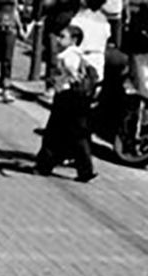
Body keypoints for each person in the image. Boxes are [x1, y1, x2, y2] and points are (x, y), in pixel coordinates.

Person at [36, 21, 99, 182]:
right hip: (80, 99)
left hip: (67, 97)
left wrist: (62, 78)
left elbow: (70, 74)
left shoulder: (68, 56)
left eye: (63, 37)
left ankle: (44, 166)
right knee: (79, 135)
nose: (58, 39)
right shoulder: (81, 55)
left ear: (73, 39)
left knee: (53, 132)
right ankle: (85, 170)